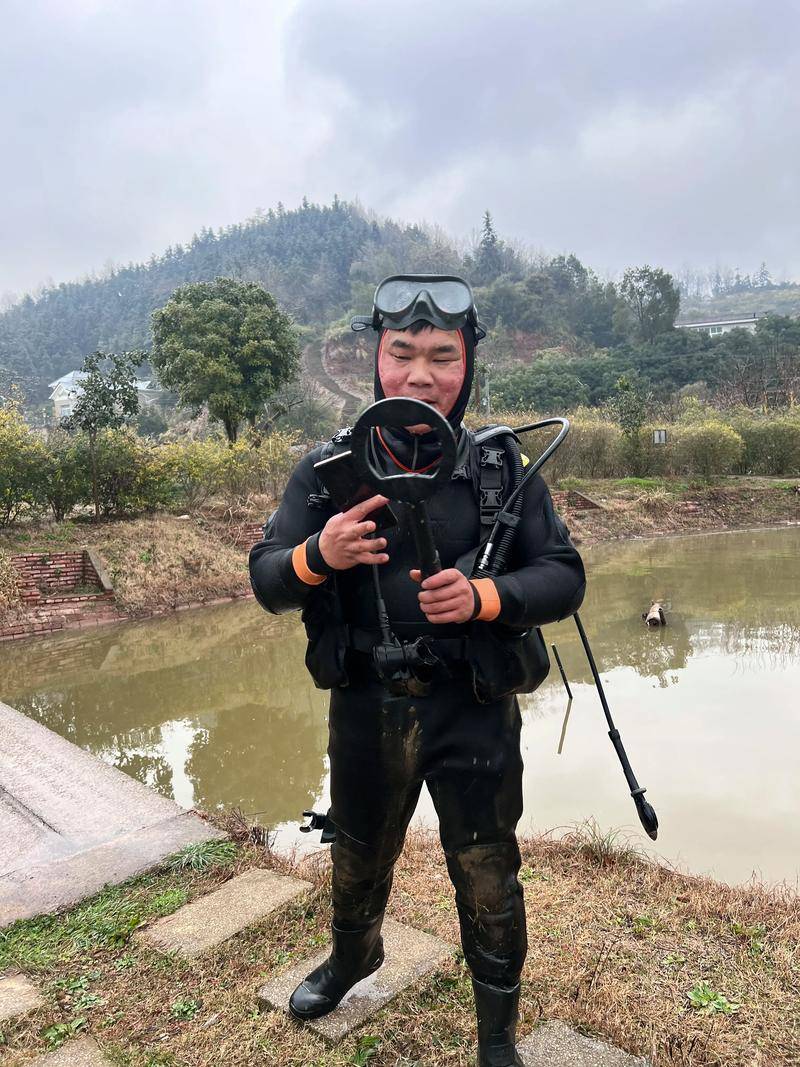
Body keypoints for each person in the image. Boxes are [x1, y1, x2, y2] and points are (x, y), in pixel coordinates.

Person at [248, 275, 585, 1067]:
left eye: (442, 356)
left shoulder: (500, 467)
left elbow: (564, 576)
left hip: (474, 705)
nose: (421, 374)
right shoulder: (328, 470)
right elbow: (267, 577)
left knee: (488, 869)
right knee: (357, 851)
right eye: (403, 353)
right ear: (375, 358)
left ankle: (496, 1034)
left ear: (468, 365)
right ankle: (354, 956)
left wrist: (484, 596)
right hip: (367, 704)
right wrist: (318, 553)